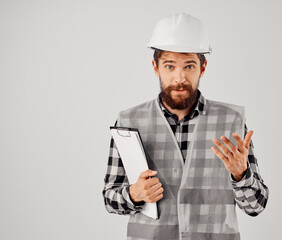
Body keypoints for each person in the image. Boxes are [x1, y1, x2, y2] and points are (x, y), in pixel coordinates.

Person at [102, 12, 269, 240]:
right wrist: (134, 194)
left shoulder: (230, 122)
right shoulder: (129, 123)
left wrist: (241, 175)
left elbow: (256, 206)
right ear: (155, 67)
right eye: (170, 66)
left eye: (189, 66)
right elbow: (109, 198)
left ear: (203, 67)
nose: (179, 78)